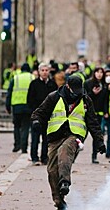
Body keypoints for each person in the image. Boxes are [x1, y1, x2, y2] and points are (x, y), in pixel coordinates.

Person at [31, 75, 105, 209]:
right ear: (67, 86)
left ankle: (65, 182)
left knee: (65, 151)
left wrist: (99, 141)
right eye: (74, 90)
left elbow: (93, 122)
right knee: (52, 169)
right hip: (55, 136)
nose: (77, 93)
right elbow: (39, 112)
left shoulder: (85, 99)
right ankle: (59, 201)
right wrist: (36, 121)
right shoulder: (54, 97)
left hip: (75, 135)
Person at [27, 63, 57, 165]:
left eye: (46, 70)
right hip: (37, 115)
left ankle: (44, 157)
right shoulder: (34, 84)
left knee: (47, 138)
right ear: (39, 72)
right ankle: (34, 157)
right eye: (42, 70)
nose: (44, 72)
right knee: (35, 138)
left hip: (49, 116)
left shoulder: (52, 84)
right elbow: (30, 100)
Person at [6, 63, 35, 153]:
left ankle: (17, 145)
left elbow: (9, 93)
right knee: (25, 127)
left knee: (17, 126)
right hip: (28, 106)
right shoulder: (32, 77)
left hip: (17, 105)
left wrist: (8, 106)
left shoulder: (15, 78)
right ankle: (24, 147)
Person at [84, 67, 109, 163]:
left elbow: (105, 100)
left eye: (101, 72)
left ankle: (94, 156)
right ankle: (74, 155)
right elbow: (84, 97)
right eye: (97, 72)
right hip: (88, 113)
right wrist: (93, 93)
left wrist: (106, 111)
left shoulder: (104, 85)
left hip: (99, 113)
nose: (99, 74)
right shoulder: (88, 83)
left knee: (97, 135)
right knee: (83, 134)